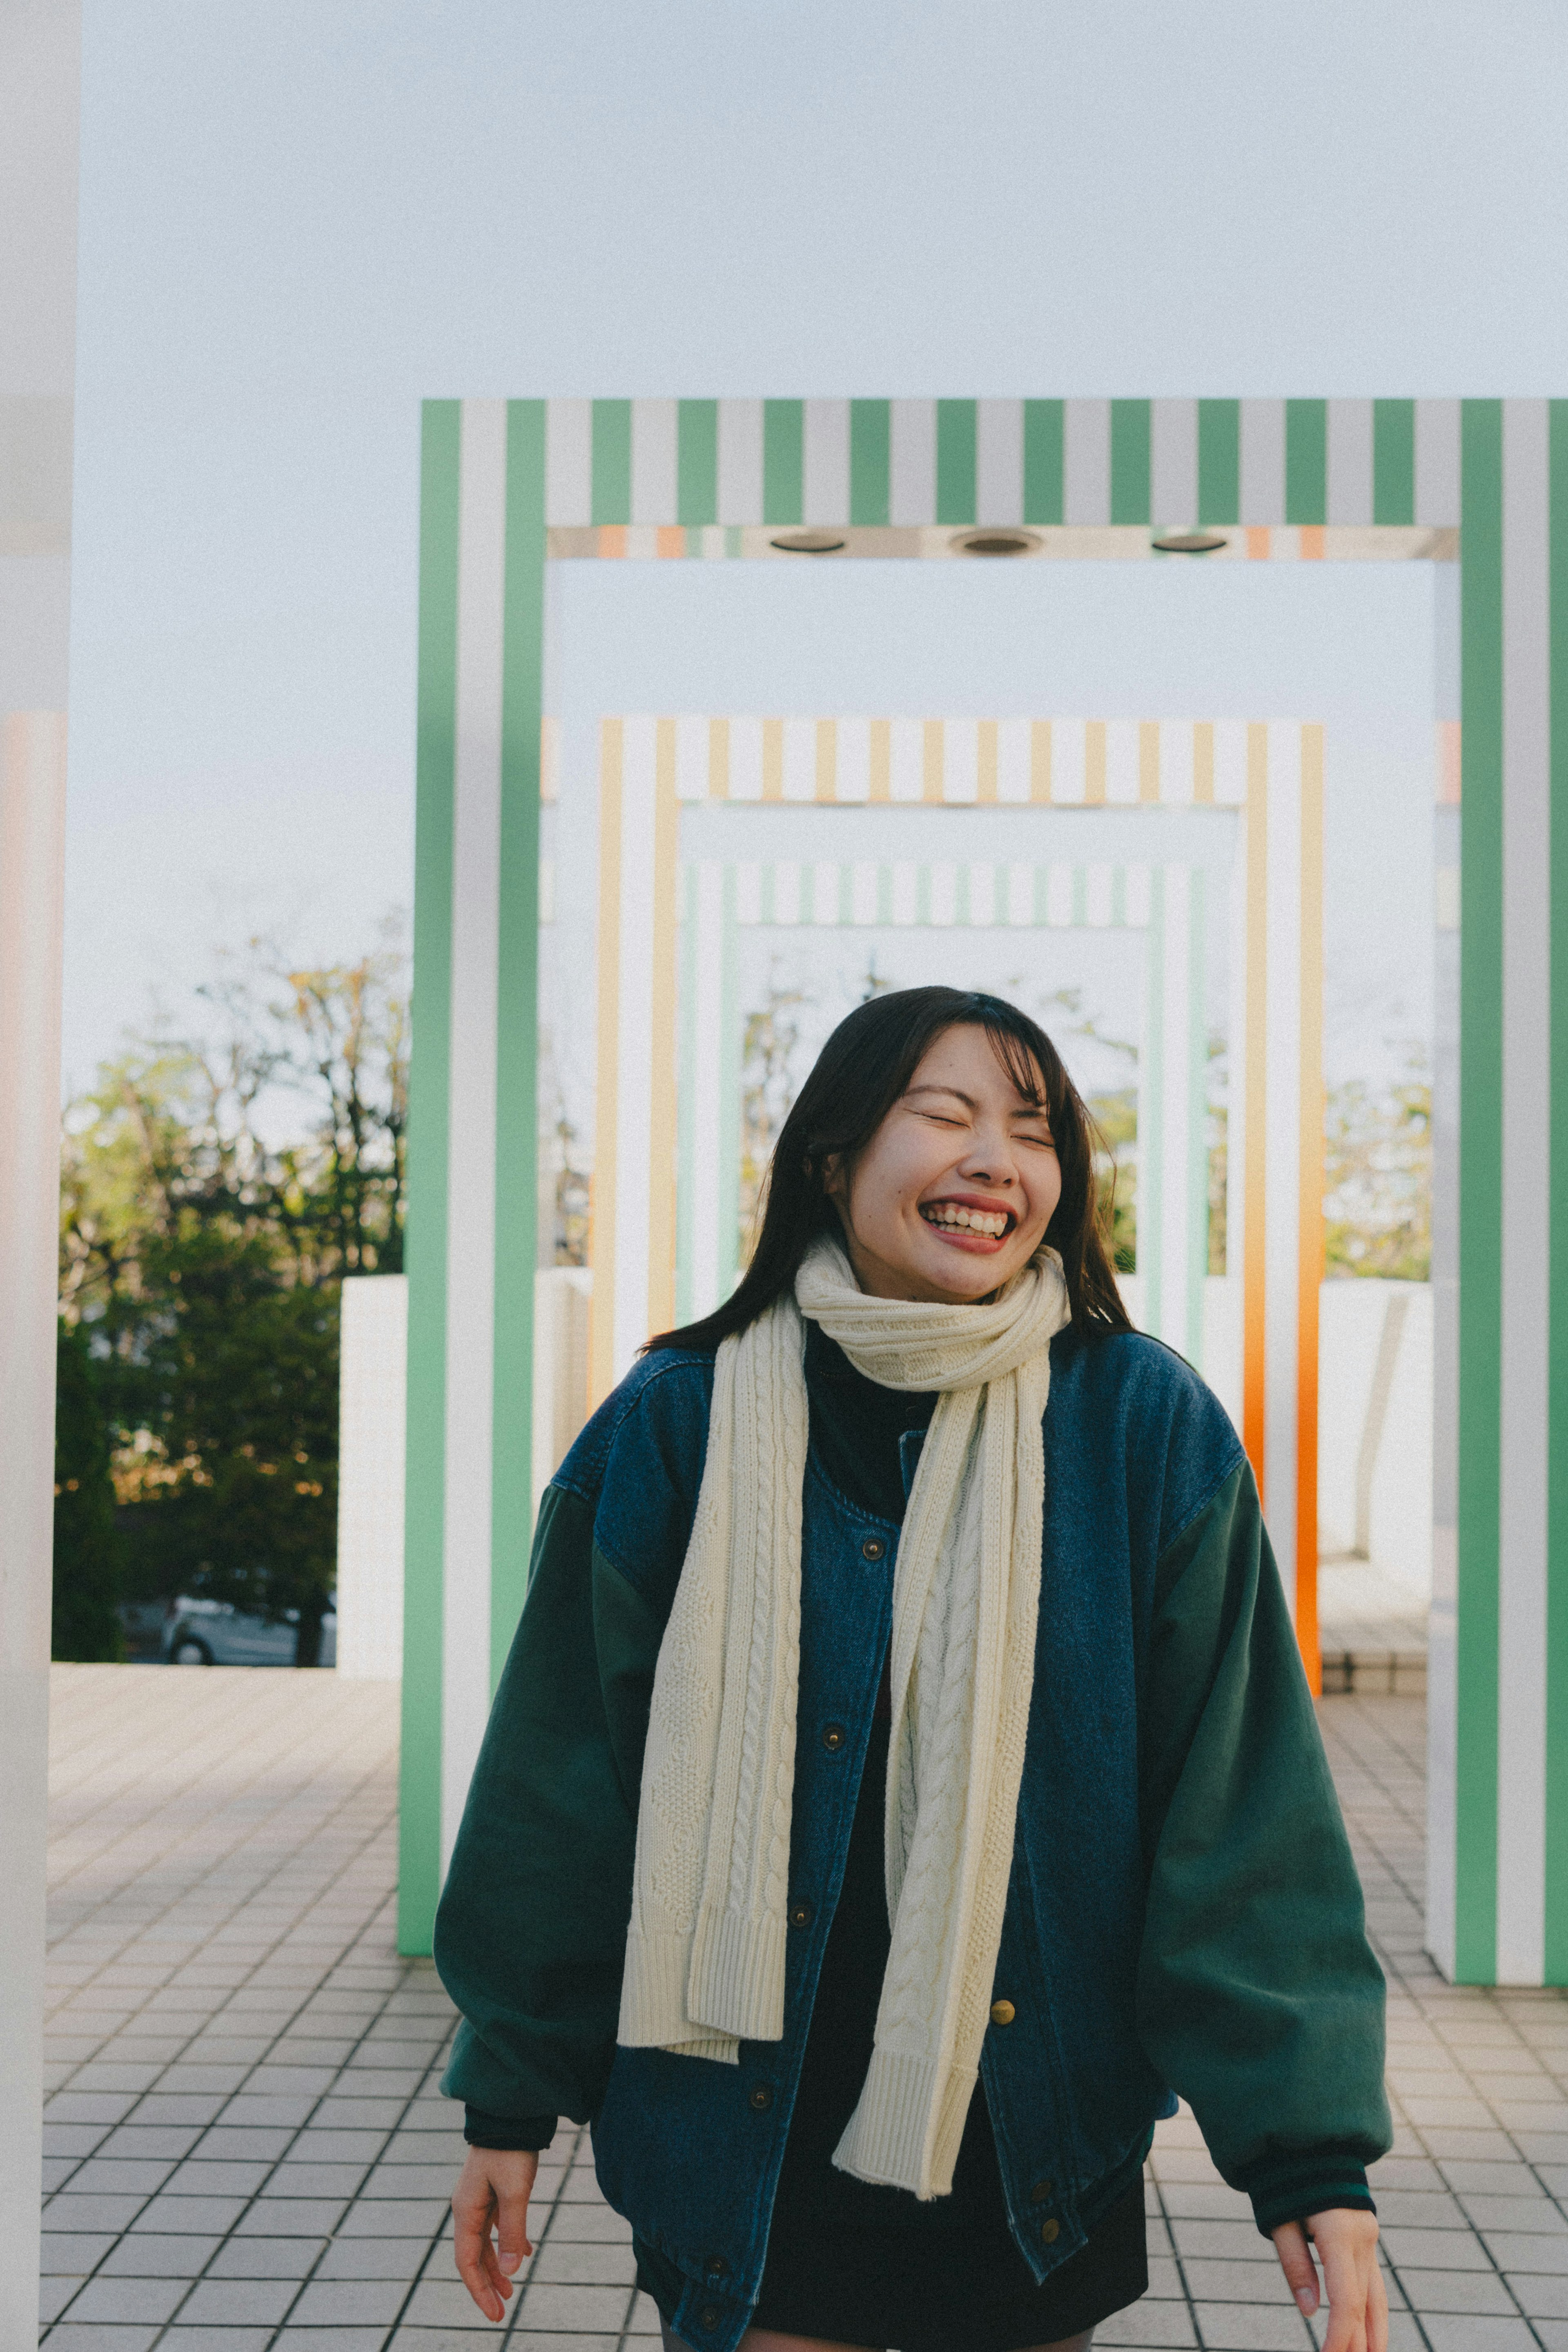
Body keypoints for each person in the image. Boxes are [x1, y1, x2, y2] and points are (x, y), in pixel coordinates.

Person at [436, 986, 1391, 2352]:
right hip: (746, 2137)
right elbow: (560, 1780)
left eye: (1035, 1127)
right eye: (943, 1115)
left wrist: (1309, 2152)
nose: (998, 1159)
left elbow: (1242, 1810)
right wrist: (510, 2097)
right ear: (833, 1156)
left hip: (1027, 2141)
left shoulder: (1139, 1428)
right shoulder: (677, 1423)